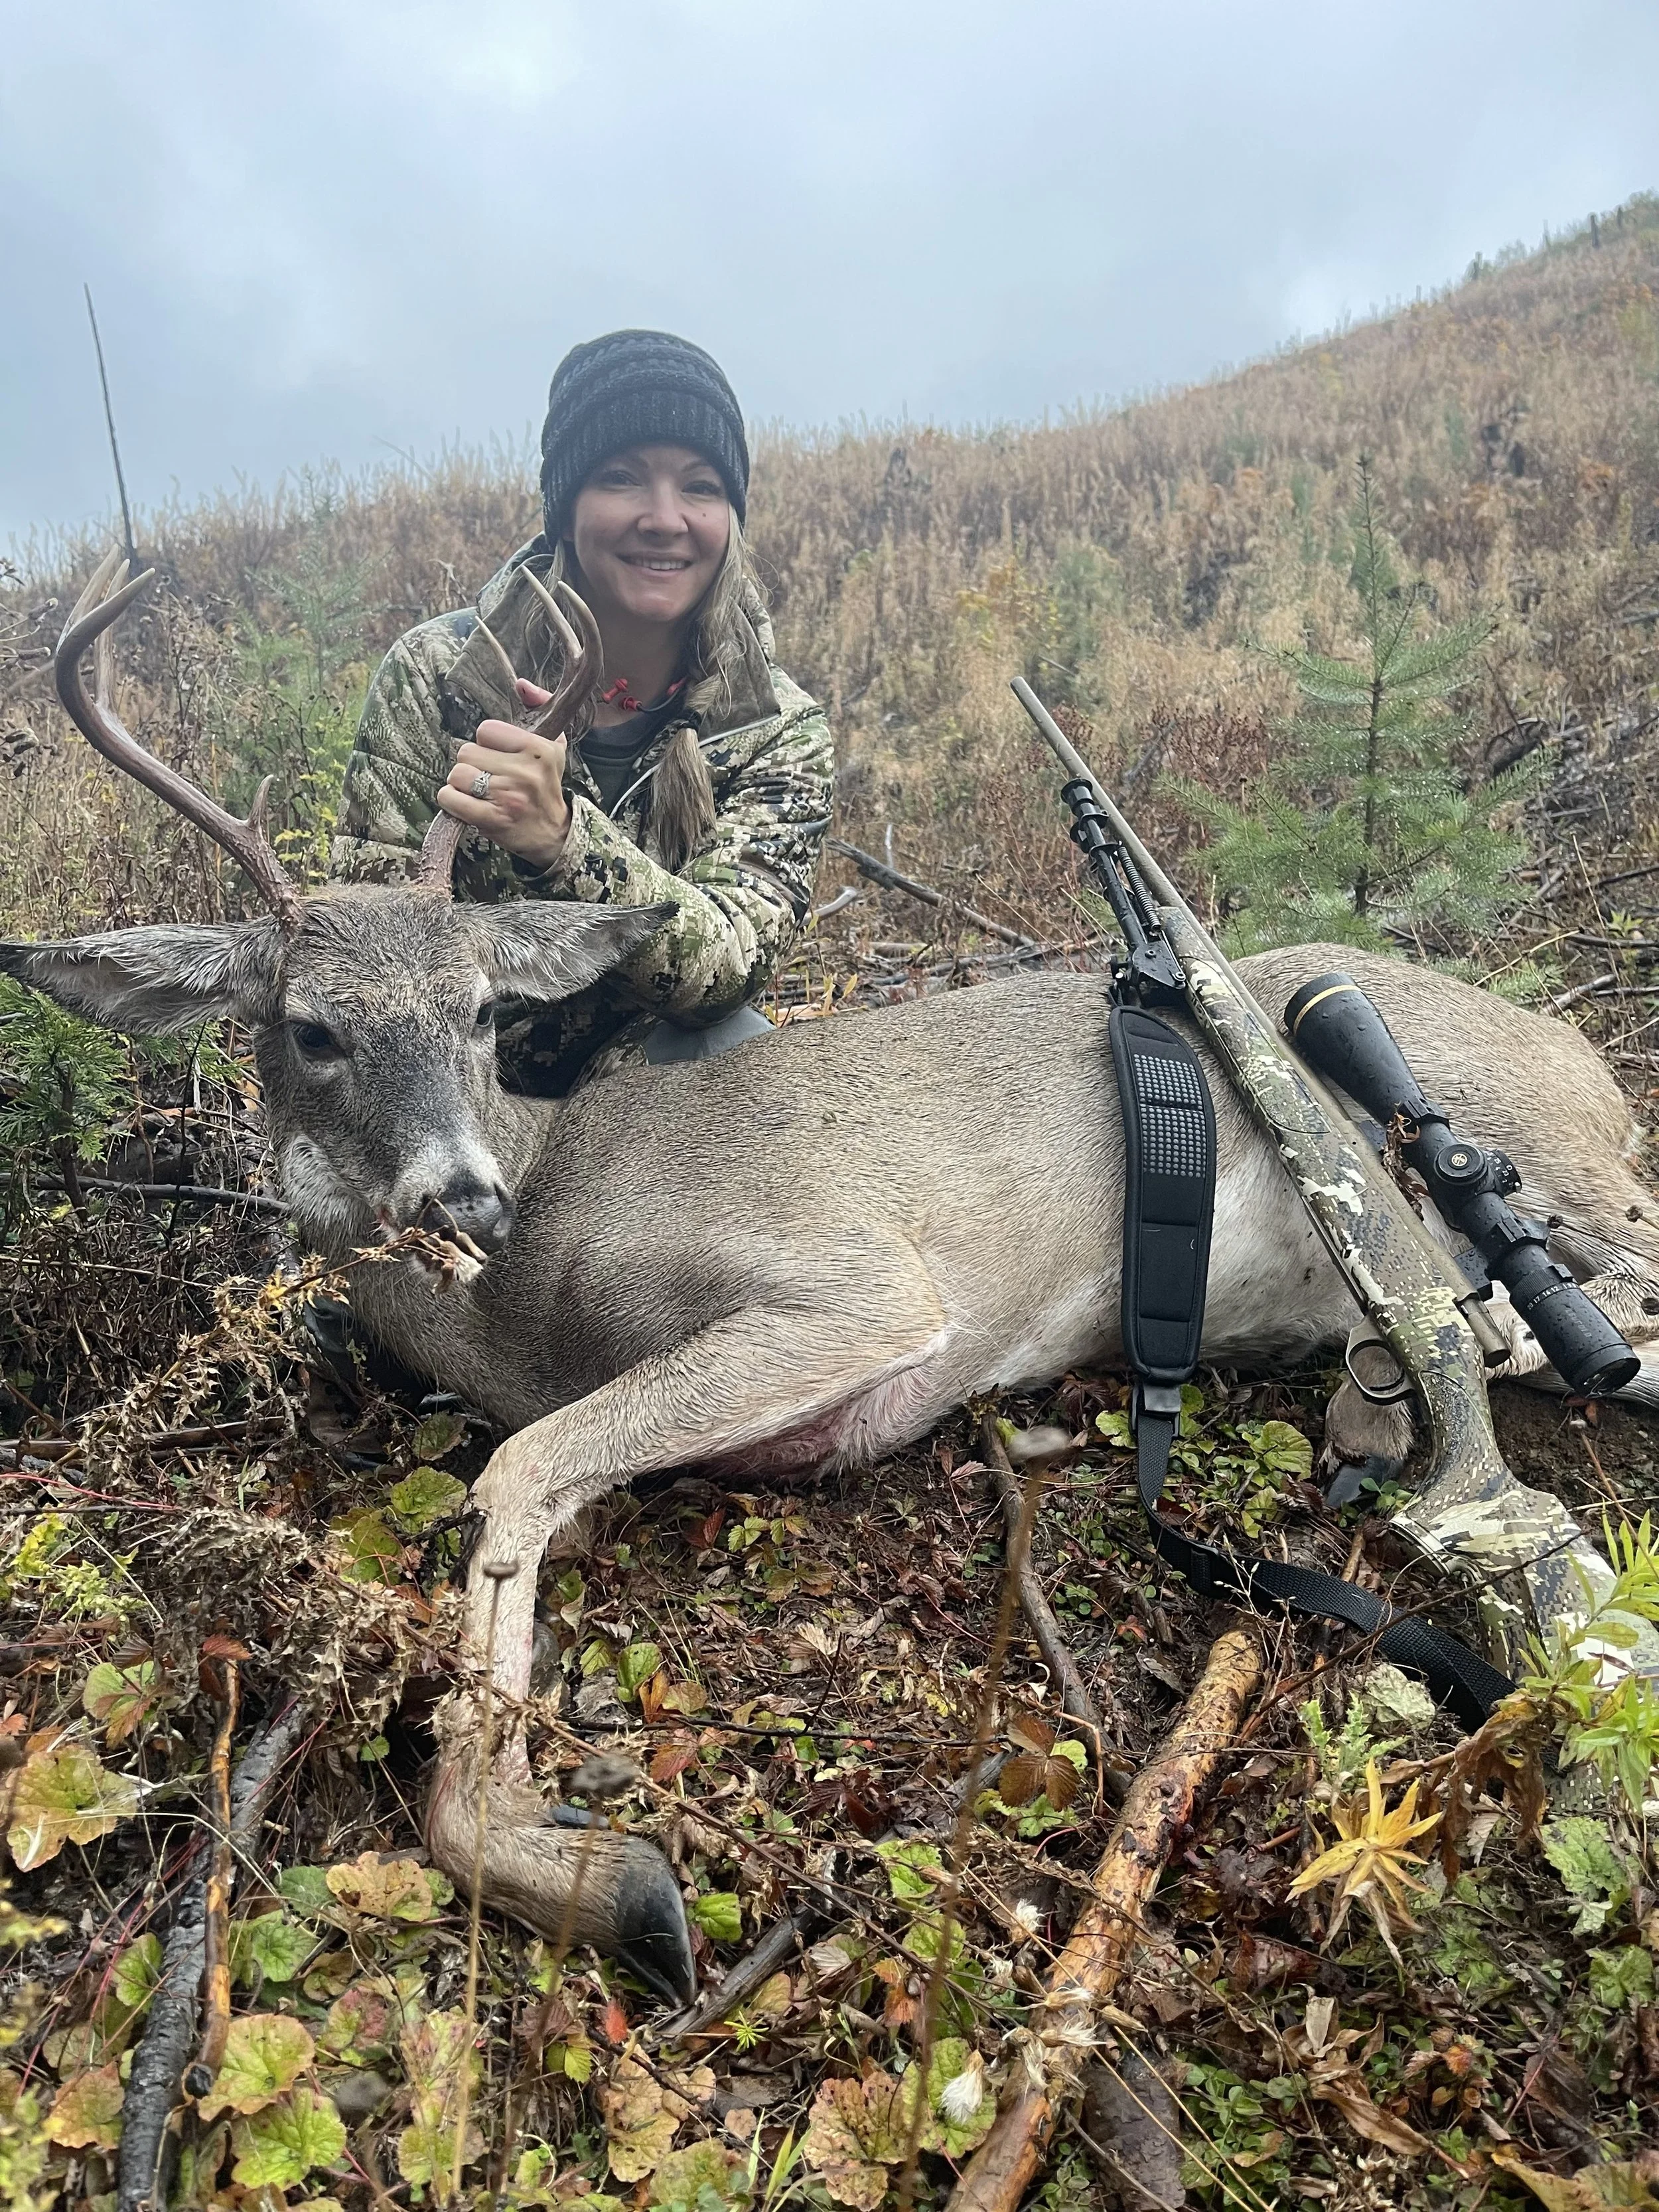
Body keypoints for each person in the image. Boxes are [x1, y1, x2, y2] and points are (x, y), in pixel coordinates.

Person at [330, 329, 833, 1095]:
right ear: (565, 511)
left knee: (737, 1048)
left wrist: (563, 843)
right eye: (622, 478)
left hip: (641, 1097)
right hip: (454, 1083)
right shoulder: (438, 676)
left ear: (730, 518)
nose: (665, 518)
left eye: (701, 487)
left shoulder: (774, 729)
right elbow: (369, 929)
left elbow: (729, 968)